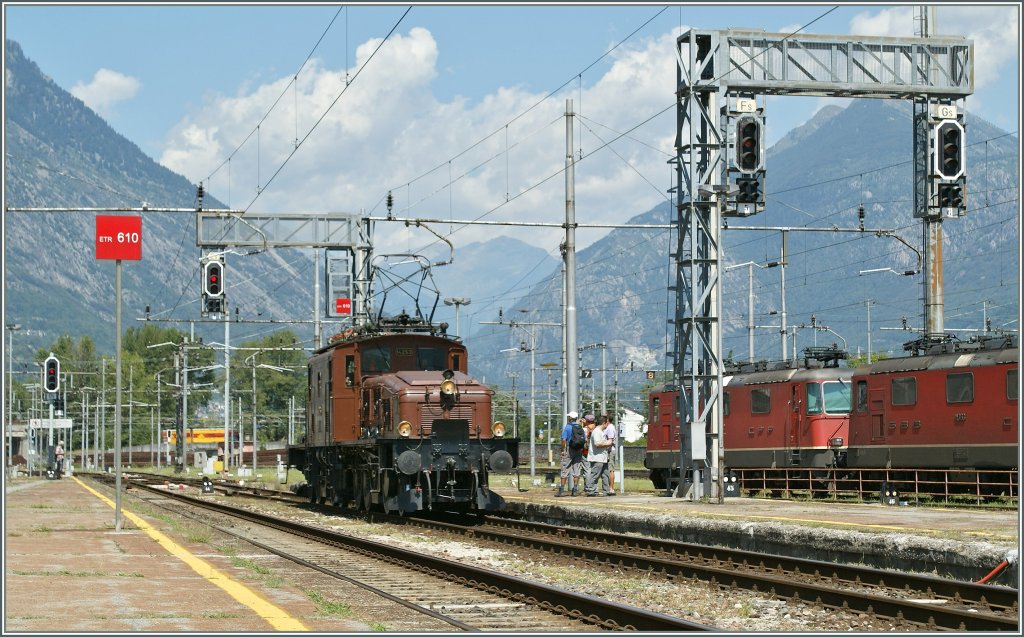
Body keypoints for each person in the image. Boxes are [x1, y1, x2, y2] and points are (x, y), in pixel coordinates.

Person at [557, 412, 585, 497]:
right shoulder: (580, 428)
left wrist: (562, 450)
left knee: (565, 469)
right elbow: (584, 440)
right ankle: (575, 490)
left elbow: (564, 439)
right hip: (578, 450)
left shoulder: (567, 427)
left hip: (569, 450)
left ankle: (561, 491)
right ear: (576, 418)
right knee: (577, 471)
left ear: (570, 418)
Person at [585, 417, 613, 496]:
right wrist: (608, 443)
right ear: (603, 423)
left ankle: (606, 490)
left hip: (603, 457)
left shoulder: (601, 431)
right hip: (597, 457)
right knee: (595, 475)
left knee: (605, 475)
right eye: (607, 423)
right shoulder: (597, 432)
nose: (608, 424)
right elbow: (597, 444)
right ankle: (591, 490)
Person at [603, 415, 618, 494]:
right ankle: (608, 488)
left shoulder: (610, 428)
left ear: (608, 420)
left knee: (611, 469)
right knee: (608, 469)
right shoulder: (609, 427)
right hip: (608, 450)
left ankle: (611, 488)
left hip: (610, 451)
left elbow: (611, 440)